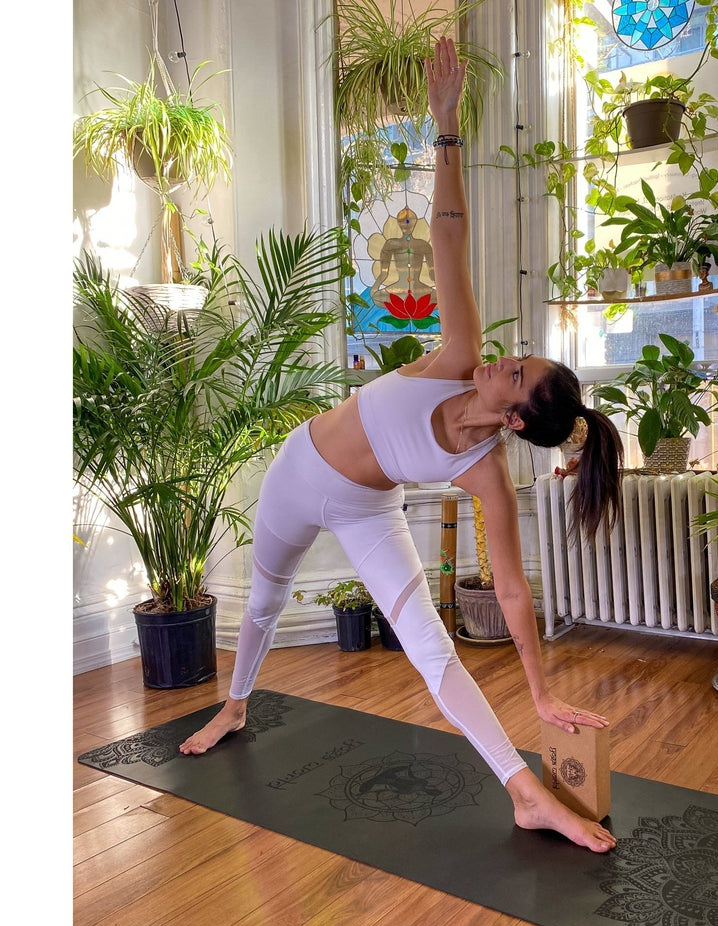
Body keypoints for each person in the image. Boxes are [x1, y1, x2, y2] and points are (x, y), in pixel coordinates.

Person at [180, 37, 624, 854]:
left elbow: (516, 593)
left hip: (365, 505)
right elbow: (449, 243)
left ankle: (526, 794)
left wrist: (541, 693)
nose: (499, 360)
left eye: (514, 372)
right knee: (267, 598)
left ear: (517, 418)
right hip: (297, 471)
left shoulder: (484, 471)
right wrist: (445, 125)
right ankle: (237, 703)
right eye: (514, 356)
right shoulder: (455, 359)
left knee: (429, 644)